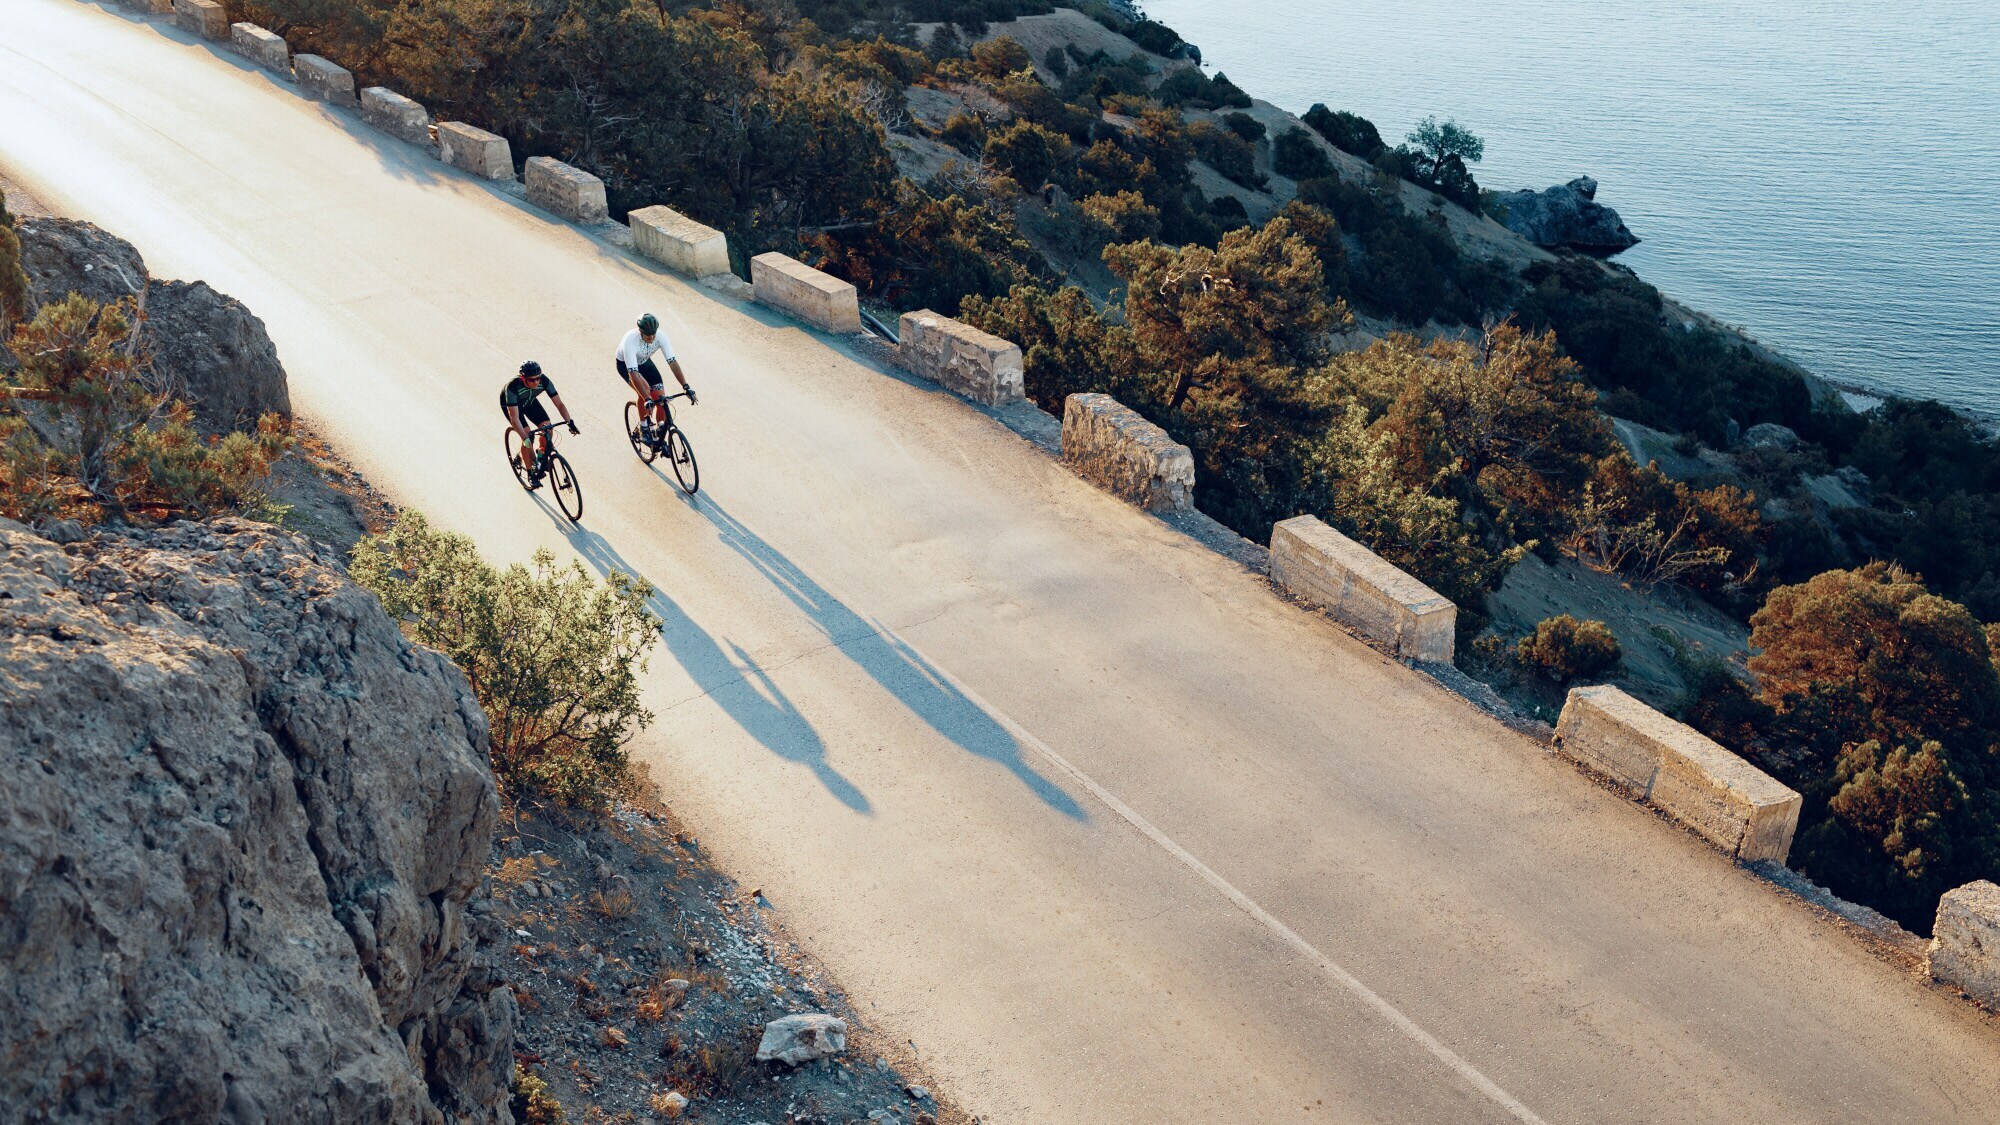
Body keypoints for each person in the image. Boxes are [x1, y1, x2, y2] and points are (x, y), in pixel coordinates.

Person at [616, 313, 694, 445]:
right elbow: (634, 374)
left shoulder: (661, 337)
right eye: (648, 335)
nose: (652, 337)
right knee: (645, 390)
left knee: (662, 399)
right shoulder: (630, 340)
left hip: (645, 362)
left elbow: (673, 362)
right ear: (640, 331)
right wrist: (646, 398)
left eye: (654, 334)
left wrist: (685, 386)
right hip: (626, 366)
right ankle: (643, 428)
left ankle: (658, 434)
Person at [500, 360, 577, 487]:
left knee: (548, 428)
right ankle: (531, 474)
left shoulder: (544, 381)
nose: (536, 382)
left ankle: (541, 455)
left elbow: (559, 404)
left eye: (538, 378)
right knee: (528, 436)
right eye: (532, 380)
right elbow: (514, 418)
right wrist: (525, 438)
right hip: (513, 407)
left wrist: (570, 422)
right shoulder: (512, 387)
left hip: (530, 402)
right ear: (523, 378)